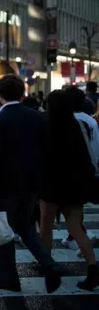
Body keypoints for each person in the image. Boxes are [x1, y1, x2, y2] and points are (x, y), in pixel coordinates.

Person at [0, 75, 63, 294]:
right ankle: (50, 264)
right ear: (21, 92)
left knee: (5, 231)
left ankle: (9, 278)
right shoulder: (36, 117)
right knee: (27, 228)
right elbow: (46, 151)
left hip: (6, 185)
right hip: (32, 184)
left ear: (0, 94)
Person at [38, 89, 98, 290]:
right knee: (76, 228)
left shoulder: (45, 125)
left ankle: (48, 264)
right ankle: (92, 268)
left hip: (51, 184)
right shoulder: (77, 125)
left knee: (46, 224)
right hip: (75, 185)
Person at [62, 86, 99, 251]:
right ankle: (75, 235)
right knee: (77, 205)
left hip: (66, 169)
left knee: (66, 206)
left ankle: (78, 235)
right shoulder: (90, 120)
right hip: (86, 168)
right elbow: (95, 145)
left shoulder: (64, 119)